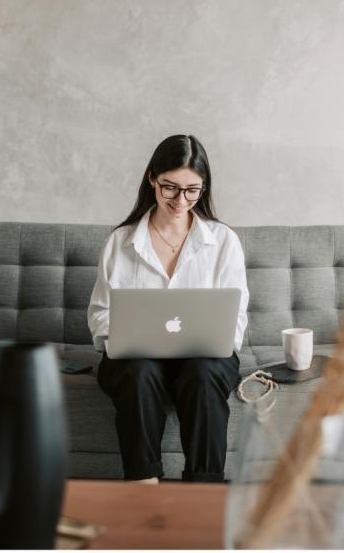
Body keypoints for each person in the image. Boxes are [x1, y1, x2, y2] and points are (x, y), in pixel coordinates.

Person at [87, 134, 249, 483]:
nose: (181, 200)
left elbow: (234, 317)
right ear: (151, 179)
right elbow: (100, 315)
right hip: (136, 360)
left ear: (203, 188)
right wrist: (124, 336)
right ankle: (143, 485)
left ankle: (204, 491)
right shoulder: (120, 242)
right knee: (138, 372)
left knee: (204, 374)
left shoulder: (223, 241)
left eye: (193, 190)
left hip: (204, 359)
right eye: (170, 188)